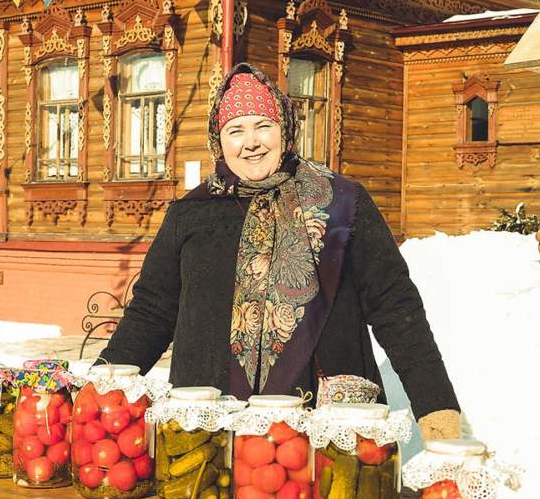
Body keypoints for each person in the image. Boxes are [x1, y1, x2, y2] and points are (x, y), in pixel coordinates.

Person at [100, 63, 461, 440]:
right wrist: (101, 389)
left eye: (263, 126)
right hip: (209, 426)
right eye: (235, 130)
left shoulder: (343, 203)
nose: (250, 142)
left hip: (326, 423)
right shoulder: (191, 213)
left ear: (285, 129)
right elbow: (151, 312)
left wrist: (437, 412)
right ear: (219, 141)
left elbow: (396, 307)